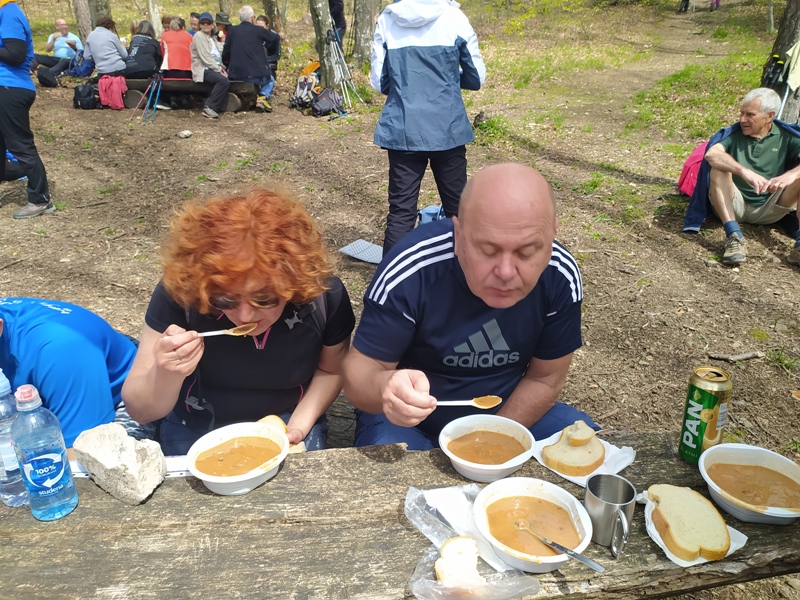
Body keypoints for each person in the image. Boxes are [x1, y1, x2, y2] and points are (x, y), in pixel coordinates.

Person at [343, 163, 597, 450]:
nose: (505, 272)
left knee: (590, 450)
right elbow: (360, 373)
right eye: (487, 251)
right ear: (459, 235)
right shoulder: (413, 268)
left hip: (511, 410)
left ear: (551, 237)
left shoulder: (560, 274)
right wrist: (386, 387)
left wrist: (489, 441)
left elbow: (545, 379)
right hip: (410, 421)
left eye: (527, 252)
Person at [121, 188, 356, 456]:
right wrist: (166, 372)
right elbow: (141, 411)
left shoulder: (322, 298)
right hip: (195, 425)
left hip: (287, 419)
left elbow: (331, 370)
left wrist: (297, 427)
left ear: (293, 282)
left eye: (264, 299)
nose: (245, 316)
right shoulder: (183, 294)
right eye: (225, 299)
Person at [371, 0, 486, 255]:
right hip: (447, 128)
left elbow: (380, 81)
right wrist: (448, 78)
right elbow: (476, 77)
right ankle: (467, 272)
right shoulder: (454, 18)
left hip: (403, 129)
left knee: (401, 212)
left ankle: (393, 277)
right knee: (459, 210)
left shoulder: (388, 19)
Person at [0, 297, 154, 448]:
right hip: (58, 372)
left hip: (123, 394)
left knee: (107, 457)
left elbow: (82, 451)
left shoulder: (61, 351)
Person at [683, 88, 800, 267]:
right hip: (733, 205)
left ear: (769, 116)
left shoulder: (787, 137)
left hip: (771, 207)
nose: (742, 119)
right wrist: (745, 172)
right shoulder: (734, 134)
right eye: (742, 113)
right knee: (719, 168)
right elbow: (712, 154)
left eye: (750, 115)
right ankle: (734, 237)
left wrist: (789, 176)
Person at [0, 0, 54, 219]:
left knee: (20, 145)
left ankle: (40, 199)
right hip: (6, 87)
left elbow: (16, 55)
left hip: (10, 87)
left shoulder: (9, 13)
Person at [222, 5, 280, 113]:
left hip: (235, 75)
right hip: (255, 76)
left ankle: (250, 100)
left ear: (240, 18)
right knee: (270, 79)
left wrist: (226, 65)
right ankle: (262, 97)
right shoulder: (258, 30)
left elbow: (226, 52)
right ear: (252, 18)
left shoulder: (232, 31)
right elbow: (275, 37)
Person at [190, 11, 229, 119]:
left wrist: (222, 68)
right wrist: (219, 69)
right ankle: (209, 106)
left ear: (212, 25)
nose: (205, 25)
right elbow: (205, 57)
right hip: (203, 70)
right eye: (203, 23)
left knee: (230, 77)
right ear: (200, 25)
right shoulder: (199, 36)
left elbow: (217, 57)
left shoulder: (212, 38)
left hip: (213, 68)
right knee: (223, 81)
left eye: (208, 23)